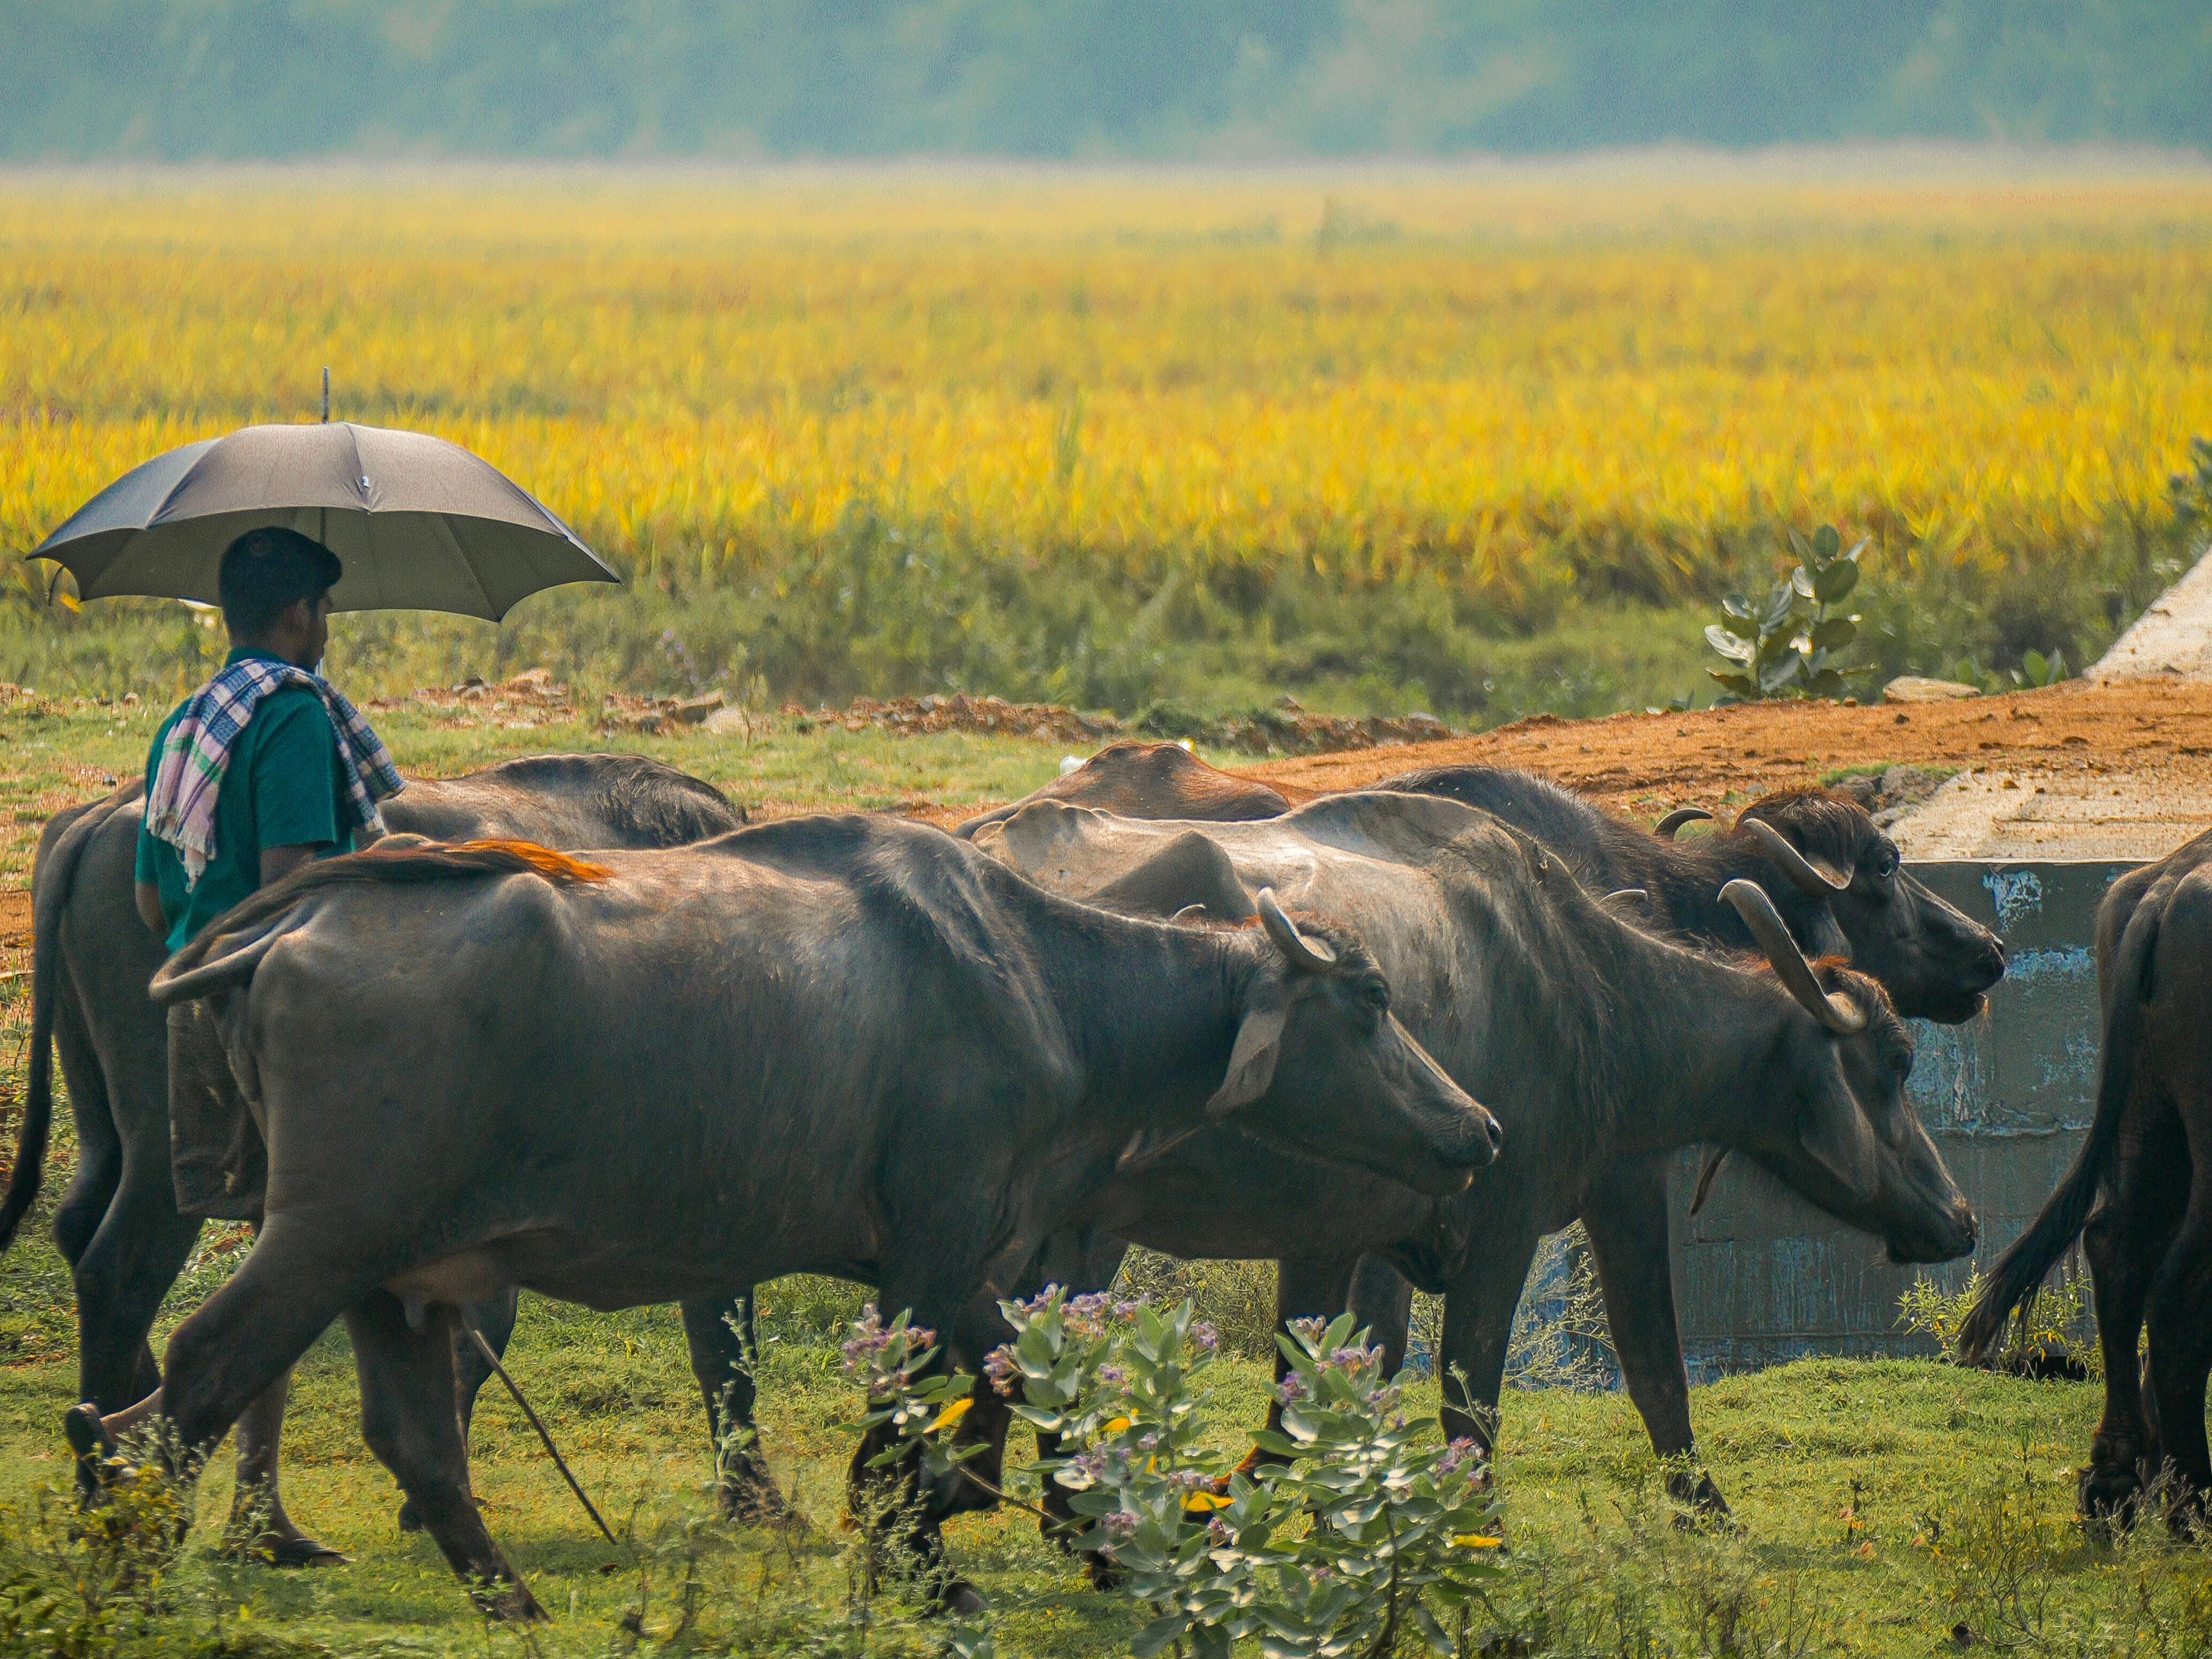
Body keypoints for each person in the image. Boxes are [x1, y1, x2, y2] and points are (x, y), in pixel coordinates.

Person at [72, 525, 403, 1566]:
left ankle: (256, 1504)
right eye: (326, 613)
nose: (328, 631)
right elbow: (294, 882)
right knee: (295, 1263)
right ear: (301, 613)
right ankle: (140, 1437)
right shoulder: (294, 715)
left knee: (276, 1247)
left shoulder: (188, 721)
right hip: (277, 1016)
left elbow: (143, 890)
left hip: (192, 1002)